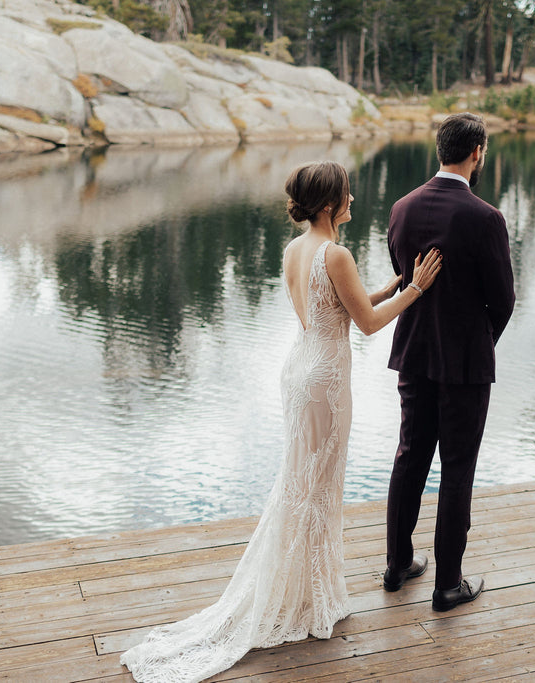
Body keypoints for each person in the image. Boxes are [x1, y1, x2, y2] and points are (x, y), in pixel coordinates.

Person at [121, 160, 442, 683]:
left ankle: (304, 593)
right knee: (315, 487)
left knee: (303, 484)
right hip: (325, 383)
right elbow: (364, 324)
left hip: (300, 369)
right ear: (329, 204)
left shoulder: (296, 249)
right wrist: (417, 290)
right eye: (347, 194)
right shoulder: (335, 254)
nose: (353, 199)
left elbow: (332, 310)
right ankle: (305, 601)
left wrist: (391, 285)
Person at [383, 112, 516, 612]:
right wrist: (479, 341)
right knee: (457, 468)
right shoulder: (486, 218)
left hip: (414, 353)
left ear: (441, 149)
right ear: (477, 151)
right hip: (464, 364)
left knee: (408, 456)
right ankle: (447, 585)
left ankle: (397, 564)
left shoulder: (401, 208)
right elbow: (502, 301)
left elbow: (403, 276)